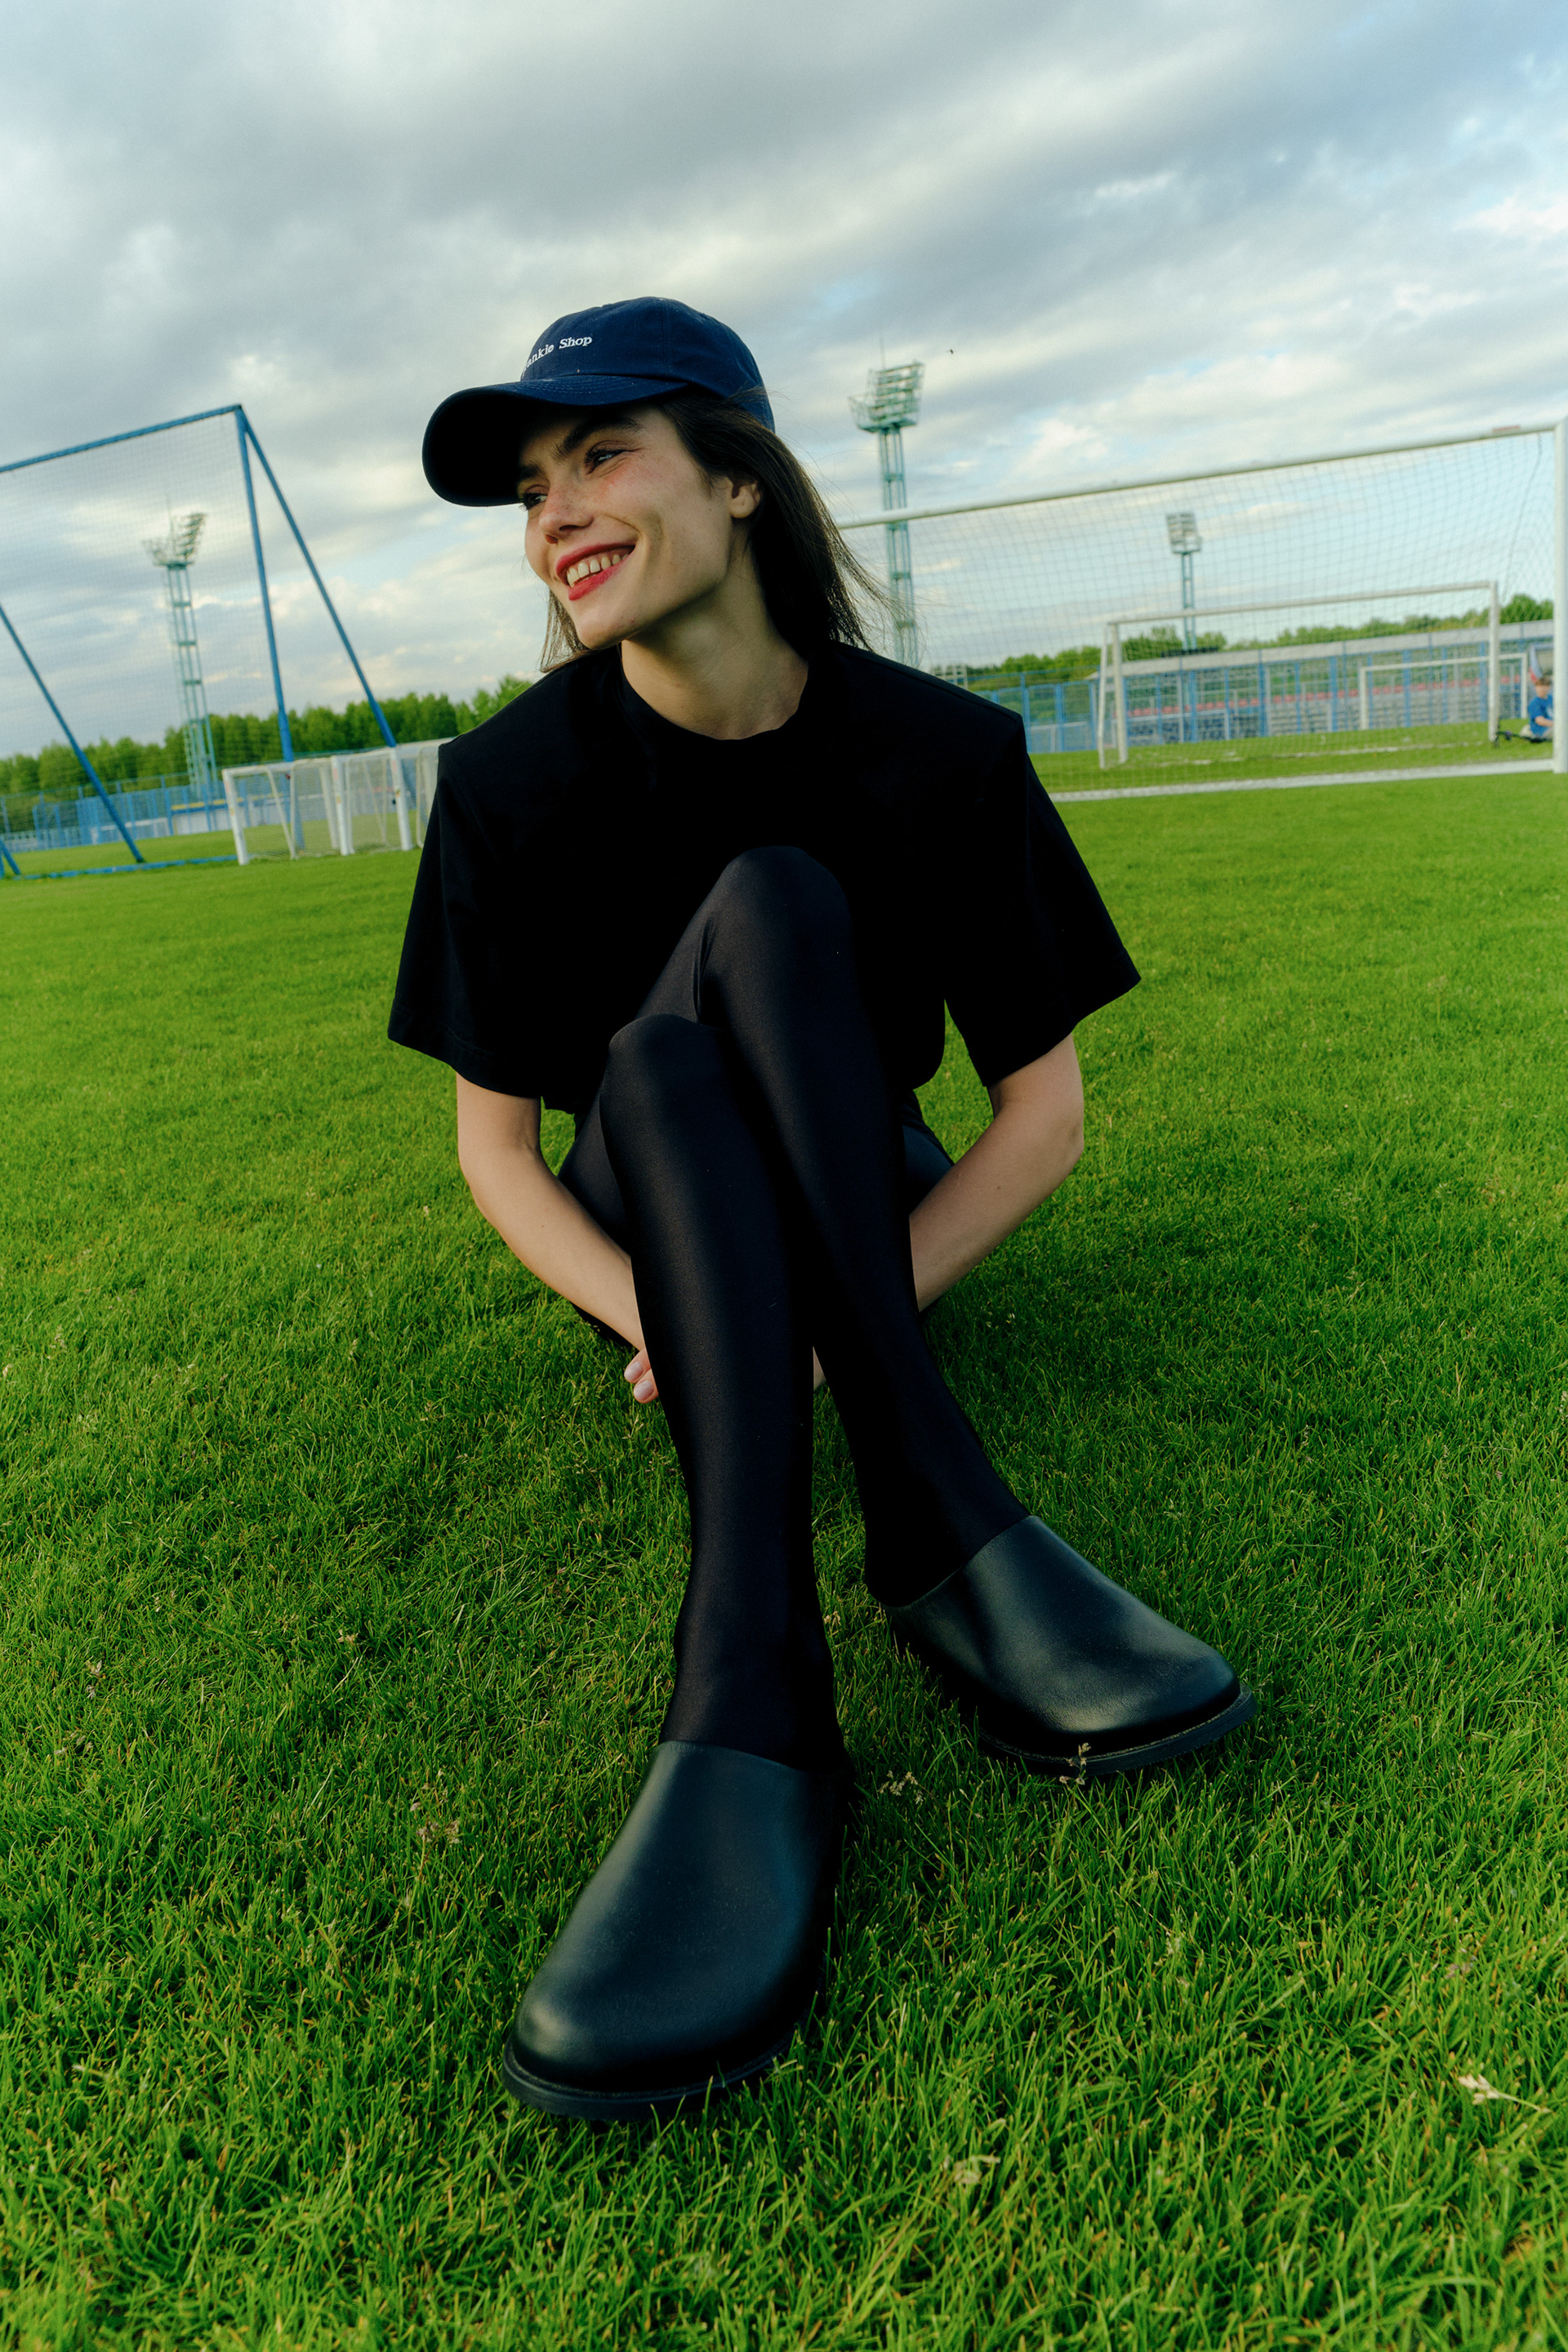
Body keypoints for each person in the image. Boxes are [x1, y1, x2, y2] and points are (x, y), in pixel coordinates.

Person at [392, 297, 1255, 2123]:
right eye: (532, 492)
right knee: (658, 1063)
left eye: (600, 455)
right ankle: (843, 1588)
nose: (556, 516)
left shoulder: (942, 752)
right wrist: (672, 1320)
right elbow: (499, 1160)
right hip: (655, 1231)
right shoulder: (505, 785)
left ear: (739, 480)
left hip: (864, 1204)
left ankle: (808, 1632)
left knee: (778, 904)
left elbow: (1042, 1117)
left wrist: (821, 1328)